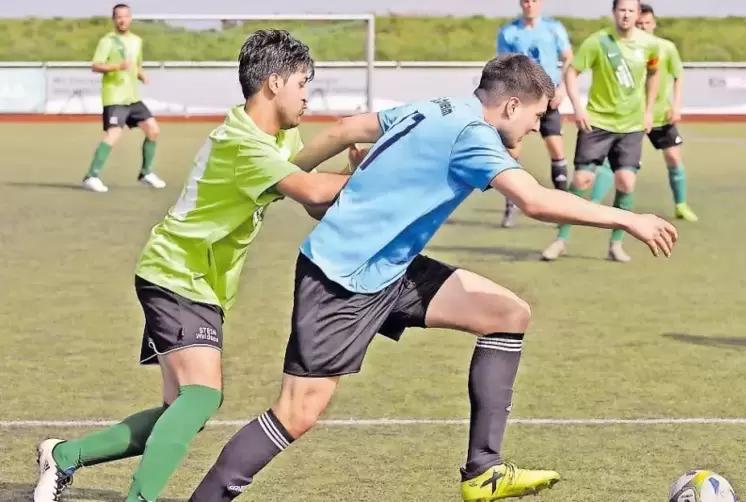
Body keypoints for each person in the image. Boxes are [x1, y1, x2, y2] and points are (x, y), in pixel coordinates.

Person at [186, 54, 678, 502]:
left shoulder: (437, 107)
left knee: (507, 313)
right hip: (344, 277)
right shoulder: (474, 137)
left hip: (389, 266)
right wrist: (626, 218)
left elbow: (343, 130)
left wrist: (286, 178)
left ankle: (483, 471)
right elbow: (534, 201)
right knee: (296, 413)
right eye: (536, 116)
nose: (535, 127)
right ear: (510, 106)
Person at [33, 29, 353, 502]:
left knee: (175, 412)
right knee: (201, 396)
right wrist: (375, 169)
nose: (309, 94)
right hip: (176, 272)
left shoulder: (280, 135)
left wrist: (349, 172)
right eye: (303, 82)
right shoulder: (243, 143)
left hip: (199, 281)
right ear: (274, 83)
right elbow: (312, 191)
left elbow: (313, 202)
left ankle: (63, 457)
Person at [540, 0, 662, 263]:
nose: (626, 15)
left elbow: (654, 73)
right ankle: (560, 239)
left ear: (638, 14)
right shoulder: (598, 42)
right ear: (614, 13)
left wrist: (649, 110)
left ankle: (616, 244)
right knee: (582, 180)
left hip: (631, 125)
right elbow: (572, 72)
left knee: (626, 182)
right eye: (622, 10)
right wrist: (578, 107)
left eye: (631, 10)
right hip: (597, 122)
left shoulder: (650, 44)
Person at [589, 3, 698, 222]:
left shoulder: (666, 48)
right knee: (613, 163)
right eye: (640, 23)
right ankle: (592, 205)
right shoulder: (624, 47)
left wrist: (676, 105)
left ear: (654, 24)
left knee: (674, 158)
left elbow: (678, 76)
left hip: (659, 115)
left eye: (648, 23)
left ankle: (681, 205)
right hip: (631, 116)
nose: (644, 27)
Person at [496, 0, 574, 227]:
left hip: (547, 100)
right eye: (526, 1)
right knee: (512, 152)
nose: (530, 4)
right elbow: (503, 65)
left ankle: (565, 207)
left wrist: (561, 89)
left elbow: (569, 57)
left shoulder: (553, 28)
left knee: (556, 148)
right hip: (519, 101)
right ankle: (511, 207)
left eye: (534, 1)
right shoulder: (509, 31)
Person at [82, 3, 166, 193]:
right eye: (118, 17)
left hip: (133, 97)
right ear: (114, 20)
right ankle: (91, 176)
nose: (122, 20)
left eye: (125, 16)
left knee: (153, 130)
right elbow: (96, 65)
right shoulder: (107, 41)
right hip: (114, 96)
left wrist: (141, 75)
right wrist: (117, 67)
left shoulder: (137, 41)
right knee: (114, 134)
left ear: (130, 18)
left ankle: (146, 173)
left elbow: (135, 65)